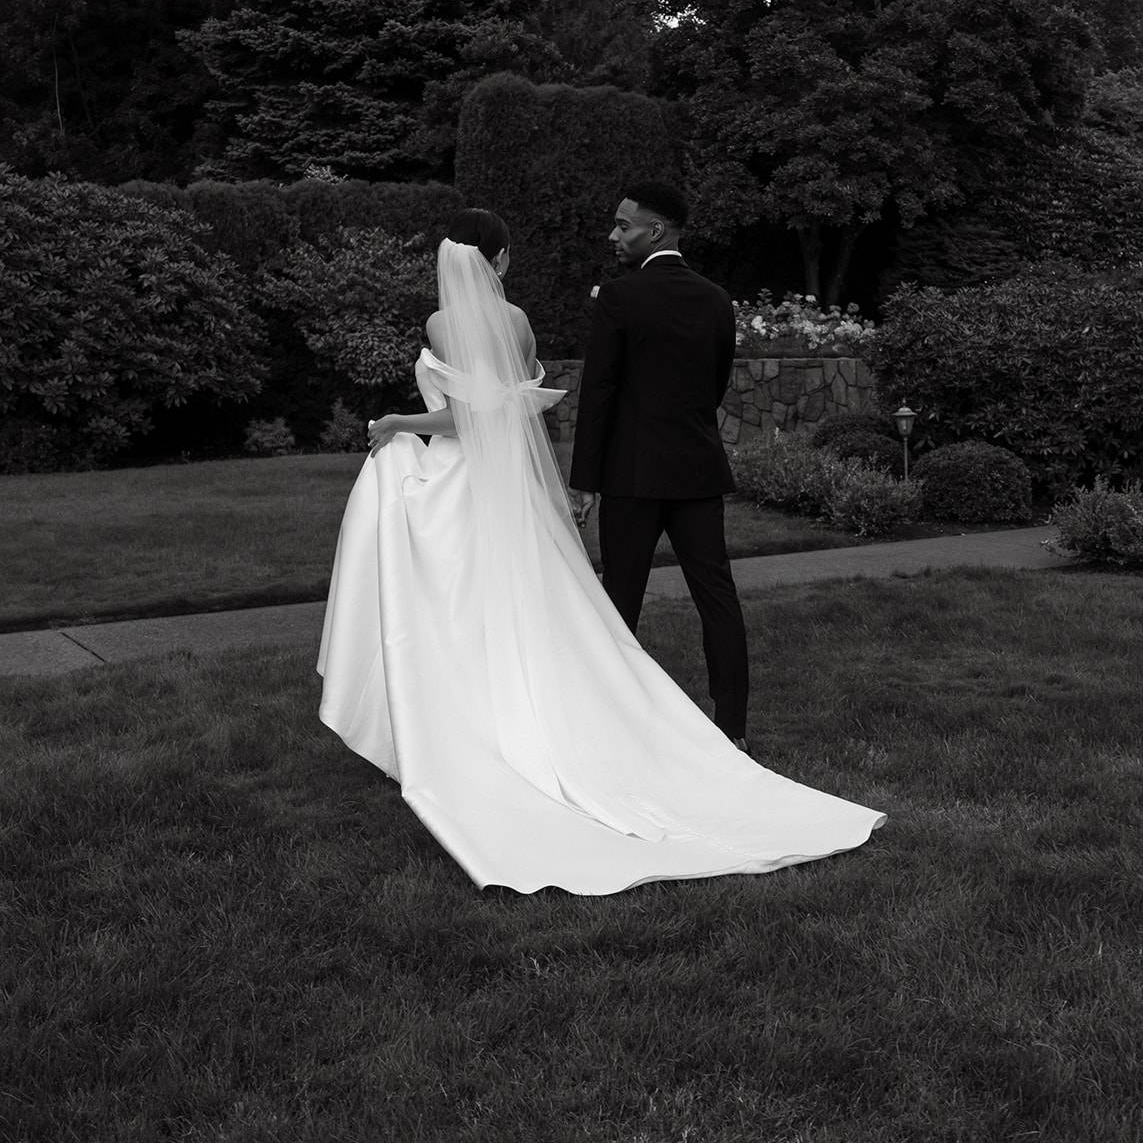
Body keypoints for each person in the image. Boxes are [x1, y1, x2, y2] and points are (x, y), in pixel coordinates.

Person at [317, 207, 884, 894]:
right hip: (514, 488)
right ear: (499, 261)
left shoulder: (443, 324)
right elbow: (526, 404)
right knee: (537, 601)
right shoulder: (520, 321)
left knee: (454, 601)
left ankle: (457, 721)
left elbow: (476, 415)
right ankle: (669, 721)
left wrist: (398, 421)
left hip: (460, 481)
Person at [569, 183, 750, 748]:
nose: (613, 234)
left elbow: (597, 392)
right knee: (716, 596)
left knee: (620, 600)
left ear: (656, 230)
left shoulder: (618, 298)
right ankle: (734, 731)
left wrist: (585, 482)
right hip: (696, 471)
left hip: (630, 475)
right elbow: (715, 383)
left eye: (623, 225)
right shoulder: (716, 298)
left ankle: (614, 728)